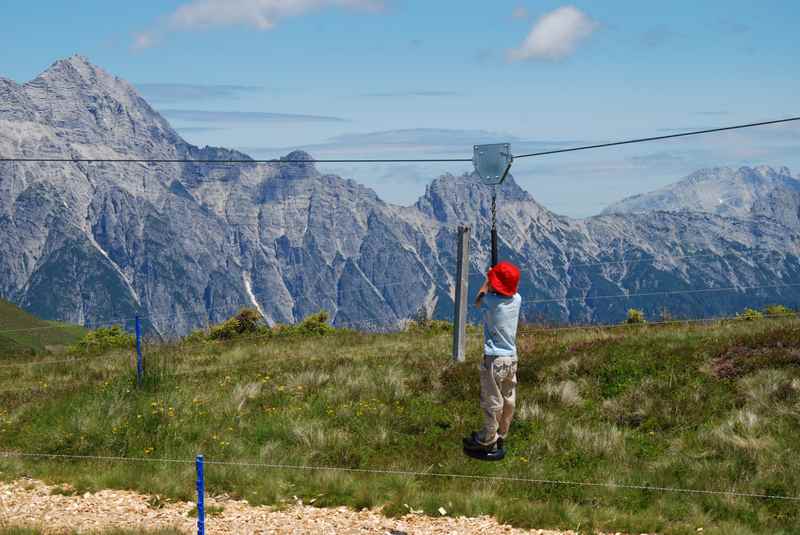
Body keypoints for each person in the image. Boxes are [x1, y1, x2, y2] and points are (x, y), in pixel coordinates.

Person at [463, 261, 522, 454]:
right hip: (512, 359)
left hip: (494, 359)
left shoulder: (490, 301)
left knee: (492, 401)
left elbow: (478, 300)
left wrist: (488, 278)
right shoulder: (517, 300)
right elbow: (509, 290)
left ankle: (488, 438)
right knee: (508, 398)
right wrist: (496, 278)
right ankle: (502, 433)